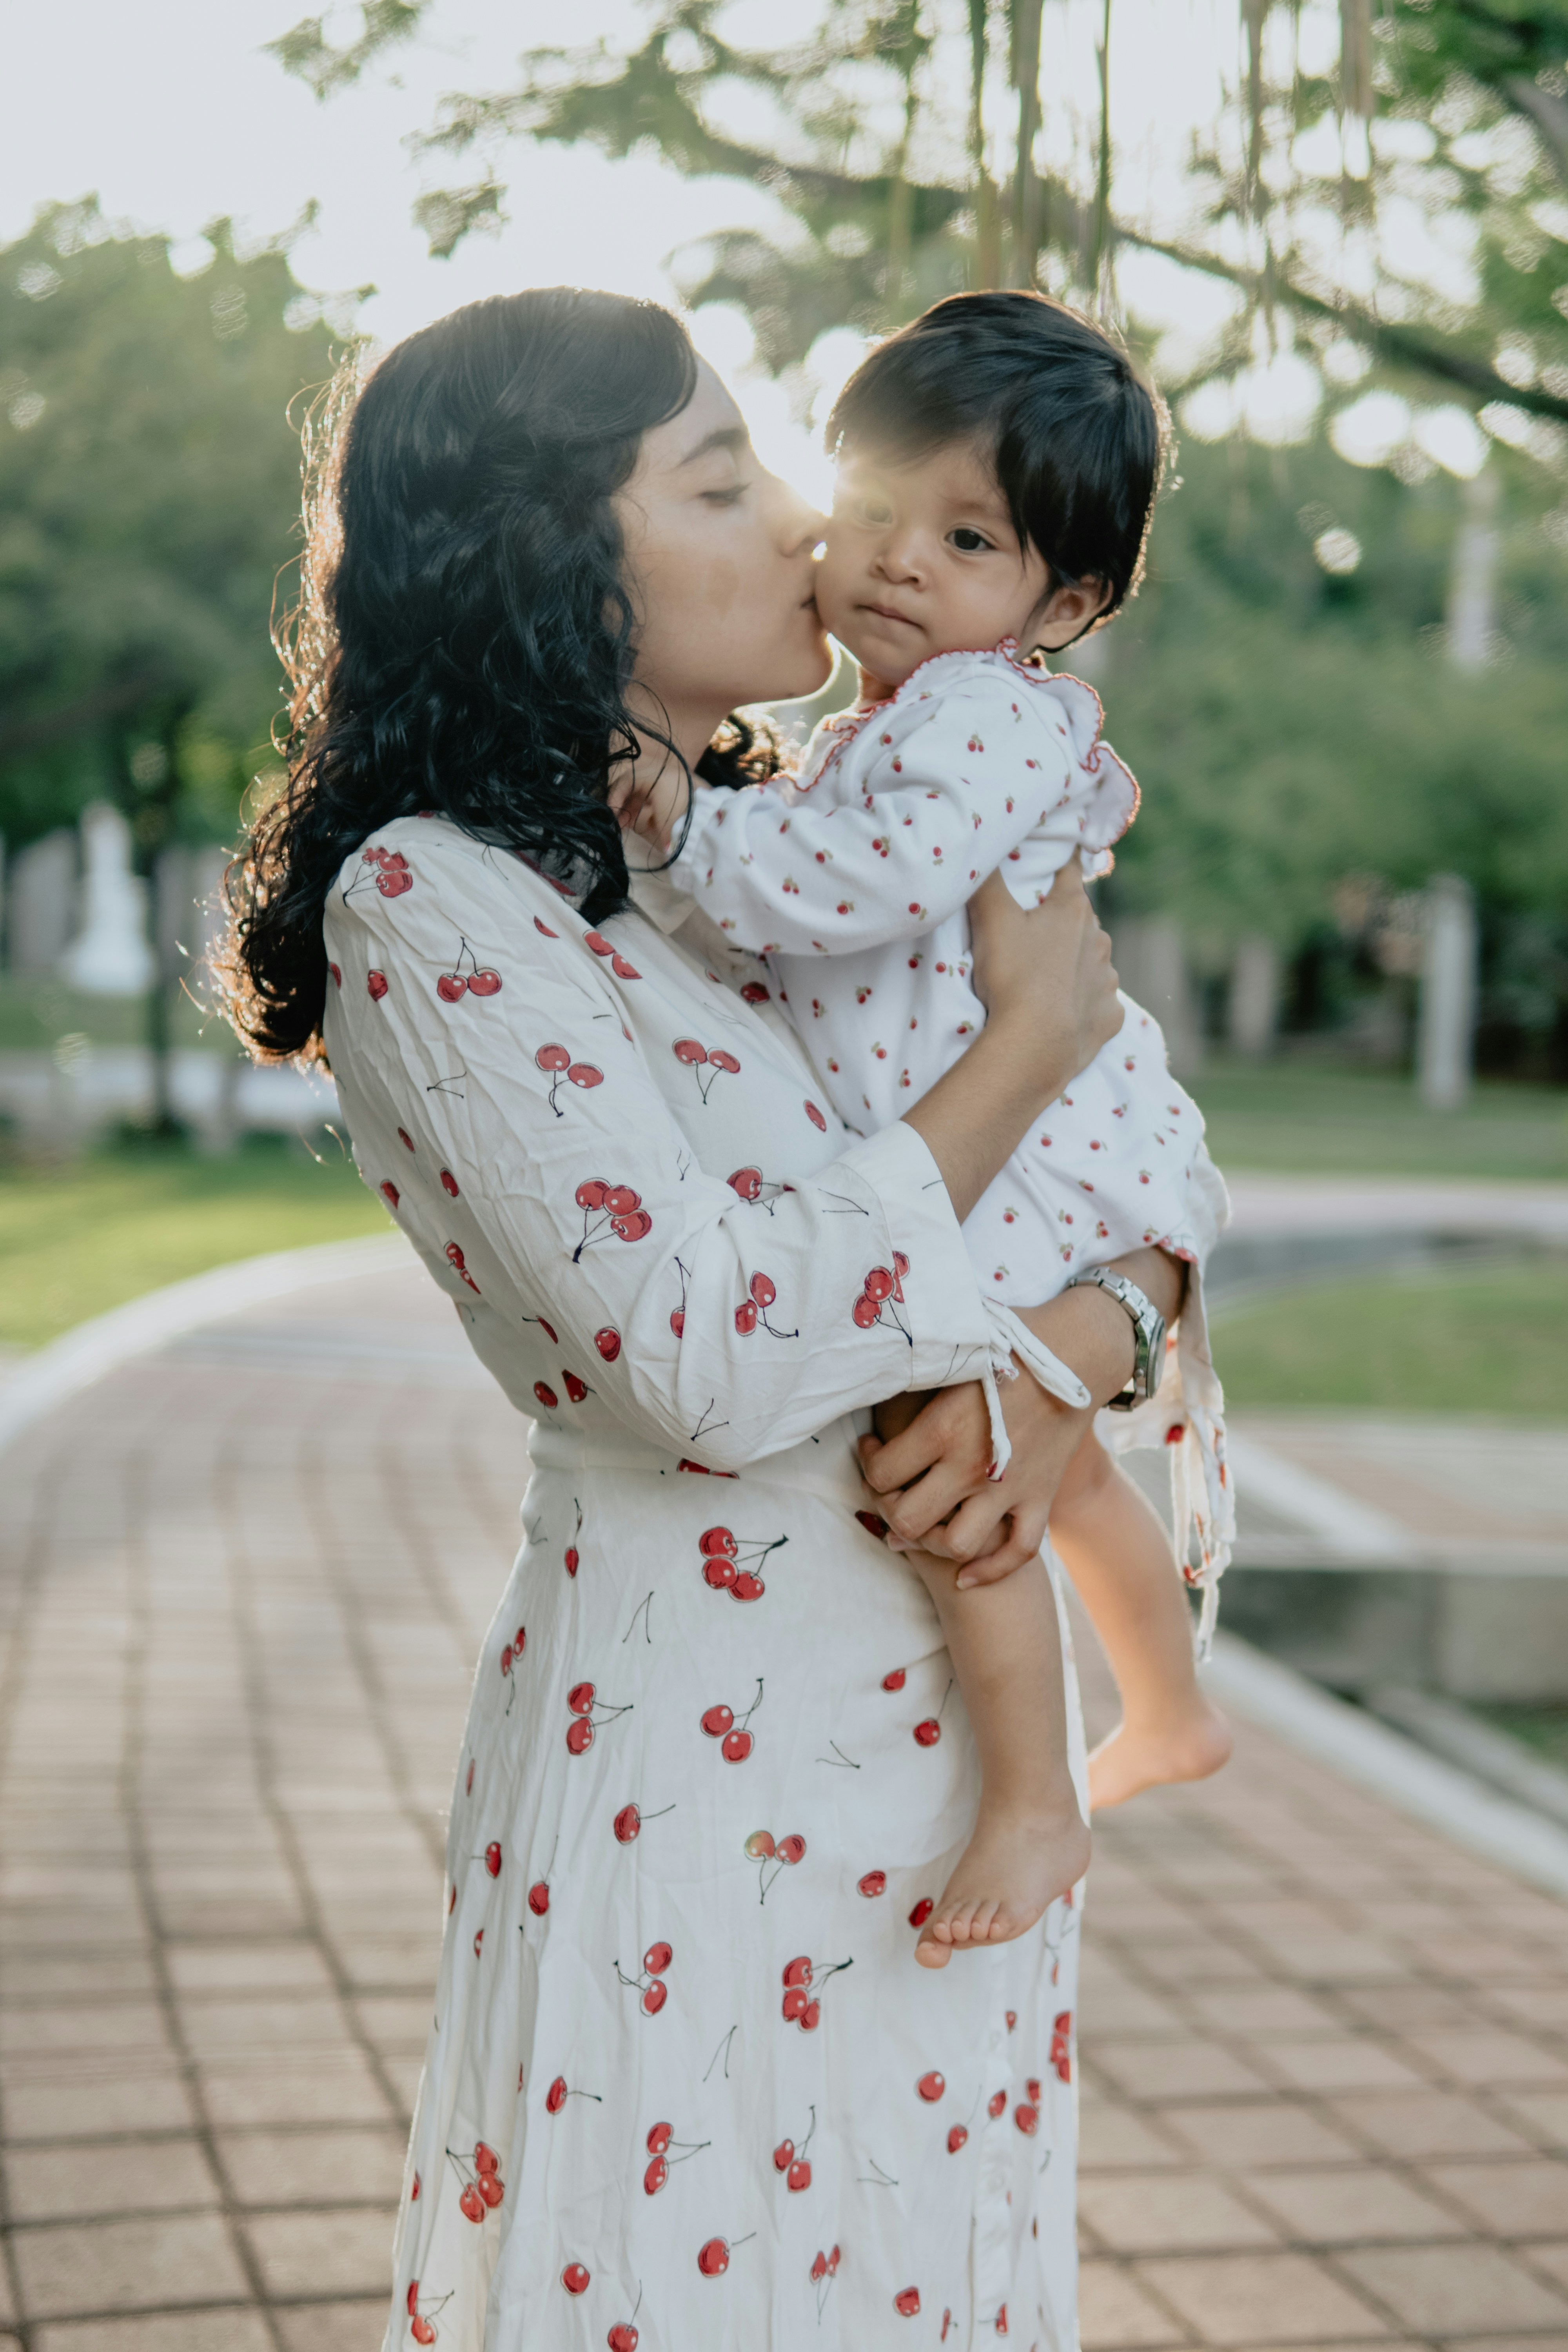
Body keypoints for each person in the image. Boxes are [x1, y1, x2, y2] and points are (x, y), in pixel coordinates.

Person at [224, 285, 1180, 2351]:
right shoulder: (437, 903)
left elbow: (1115, 1162)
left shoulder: (803, 863)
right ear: (552, 552)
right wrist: (1024, 1043)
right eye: (724, 480)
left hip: (947, 1766)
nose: (815, 526)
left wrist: (1101, 1338)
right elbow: (704, 1356)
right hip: (699, 1769)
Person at [664, 292, 1234, 1967]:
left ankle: (1035, 1796)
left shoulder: (983, 717)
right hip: (1030, 1134)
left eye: (967, 539)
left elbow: (866, 886)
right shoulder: (900, 723)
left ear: (1064, 604)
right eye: (871, 507)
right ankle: (1172, 1704)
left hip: (1024, 1154)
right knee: (1060, 1472)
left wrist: (690, 836)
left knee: (956, 1470)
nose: (896, 560)